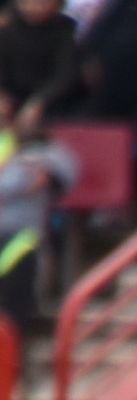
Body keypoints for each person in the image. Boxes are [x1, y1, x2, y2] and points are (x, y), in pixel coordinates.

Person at [0, 115, 72, 330]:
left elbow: (52, 175)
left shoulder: (49, 153)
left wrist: (24, 174)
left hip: (21, 240)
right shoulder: (8, 148)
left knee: (15, 306)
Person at [0, 0, 80, 135]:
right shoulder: (7, 28)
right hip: (11, 102)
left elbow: (65, 75)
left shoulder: (63, 31)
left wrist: (39, 102)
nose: (34, 7)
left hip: (53, 106)